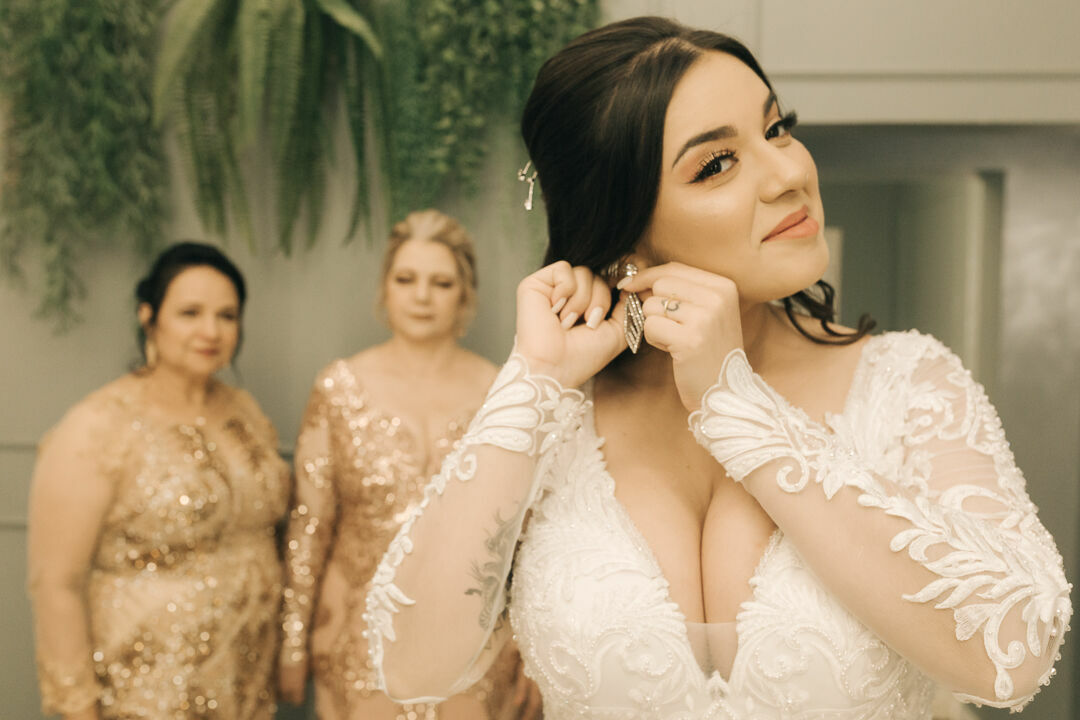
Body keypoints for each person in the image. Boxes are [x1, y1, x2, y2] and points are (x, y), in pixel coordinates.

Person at [361, 17, 1072, 719]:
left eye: (777, 128)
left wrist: (737, 407)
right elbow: (410, 666)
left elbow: (1014, 653)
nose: (790, 173)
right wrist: (532, 380)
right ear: (623, 226)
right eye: (716, 164)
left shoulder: (910, 382)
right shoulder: (555, 411)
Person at [277, 209, 540, 720]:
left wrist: (535, 649)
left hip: (476, 636)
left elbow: (525, 531)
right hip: (355, 630)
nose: (422, 295)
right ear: (385, 289)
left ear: (465, 296)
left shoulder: (503, 392)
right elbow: (309, 526)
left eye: (441, 282)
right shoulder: (340, 387)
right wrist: (292, 641)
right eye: (407, 279)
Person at [27, 242, 289, 719]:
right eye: (190, 312)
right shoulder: (98, 426)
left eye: (227, 316)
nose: (210, 331)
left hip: (246, 687)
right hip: (146, 691)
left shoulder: (245, 414)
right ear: (149, 317)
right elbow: (56, 583)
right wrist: (77, 706)